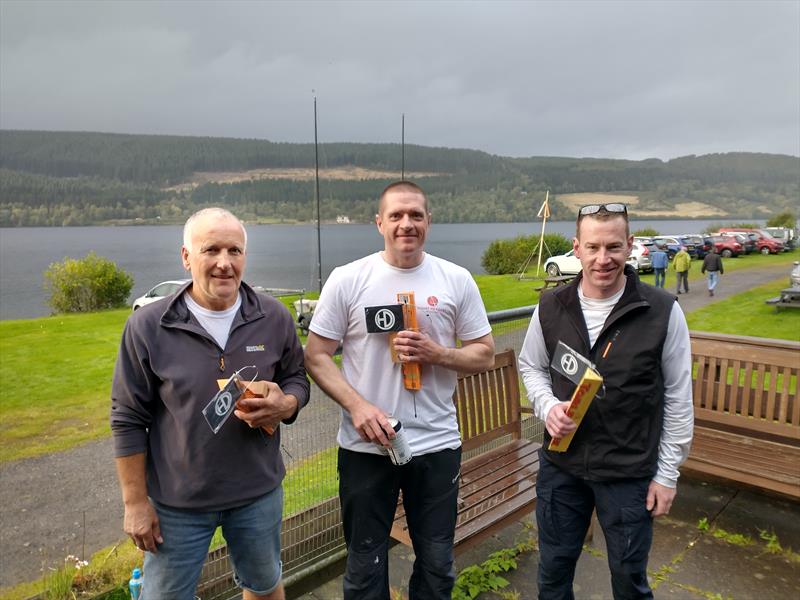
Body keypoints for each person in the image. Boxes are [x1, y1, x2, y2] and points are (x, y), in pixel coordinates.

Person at [304, 181, 495, 600]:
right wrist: (357, 406)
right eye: (396, 215)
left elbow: (483, 354)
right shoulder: (349, 279)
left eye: (415, 215)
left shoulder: (455, 279)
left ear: (429, 221)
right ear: (379, 223)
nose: (406, 224)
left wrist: (438, 353)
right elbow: (316, 355)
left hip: (437, 443)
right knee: (364, 565)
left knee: (437, 564)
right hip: (365, 445)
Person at [110, 207, 310, 600]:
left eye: (234, 251)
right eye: (211, 250)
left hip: (258, 494)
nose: (224, 263)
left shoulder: (273, 316)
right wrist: (134, 503)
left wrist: (286, 403)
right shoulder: (148, 325)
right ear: (186, 257)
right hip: (177, 504)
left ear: (244, 257)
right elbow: (127, 418)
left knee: (265, 588)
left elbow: (296, 378)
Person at [518, 203, 693, 600]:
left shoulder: (663, 311)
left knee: (629, 580)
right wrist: (547, 408)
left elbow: (679, 398)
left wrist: (667, 475)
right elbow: (531, 366)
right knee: (552, 573)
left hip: (628, 472)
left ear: (630, 245)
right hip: (561, 467)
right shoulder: (551, 306)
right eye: (593, 247)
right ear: (576, 248)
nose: (603, 259)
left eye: (613, 247)